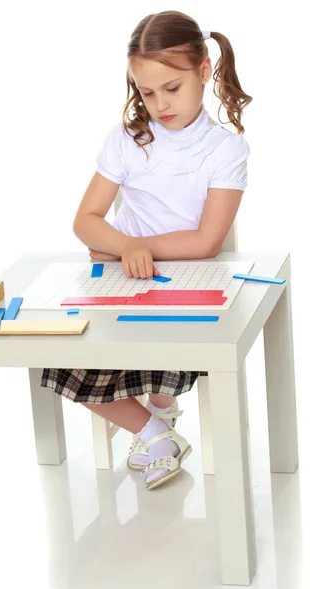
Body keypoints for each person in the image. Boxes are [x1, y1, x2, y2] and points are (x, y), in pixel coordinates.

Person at [41, 10, 252, 490]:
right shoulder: (126, 140)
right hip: (119, 283)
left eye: (171, 88)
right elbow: (85, 220)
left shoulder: (225, 150)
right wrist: (123, 248)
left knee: (166, 354)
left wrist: (134, 248)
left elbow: (205, 241)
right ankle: (159, 433)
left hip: (186, 287)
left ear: (203, 72)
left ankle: (160, 410)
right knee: (65, 363)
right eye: (147, 92)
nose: (160, 104)